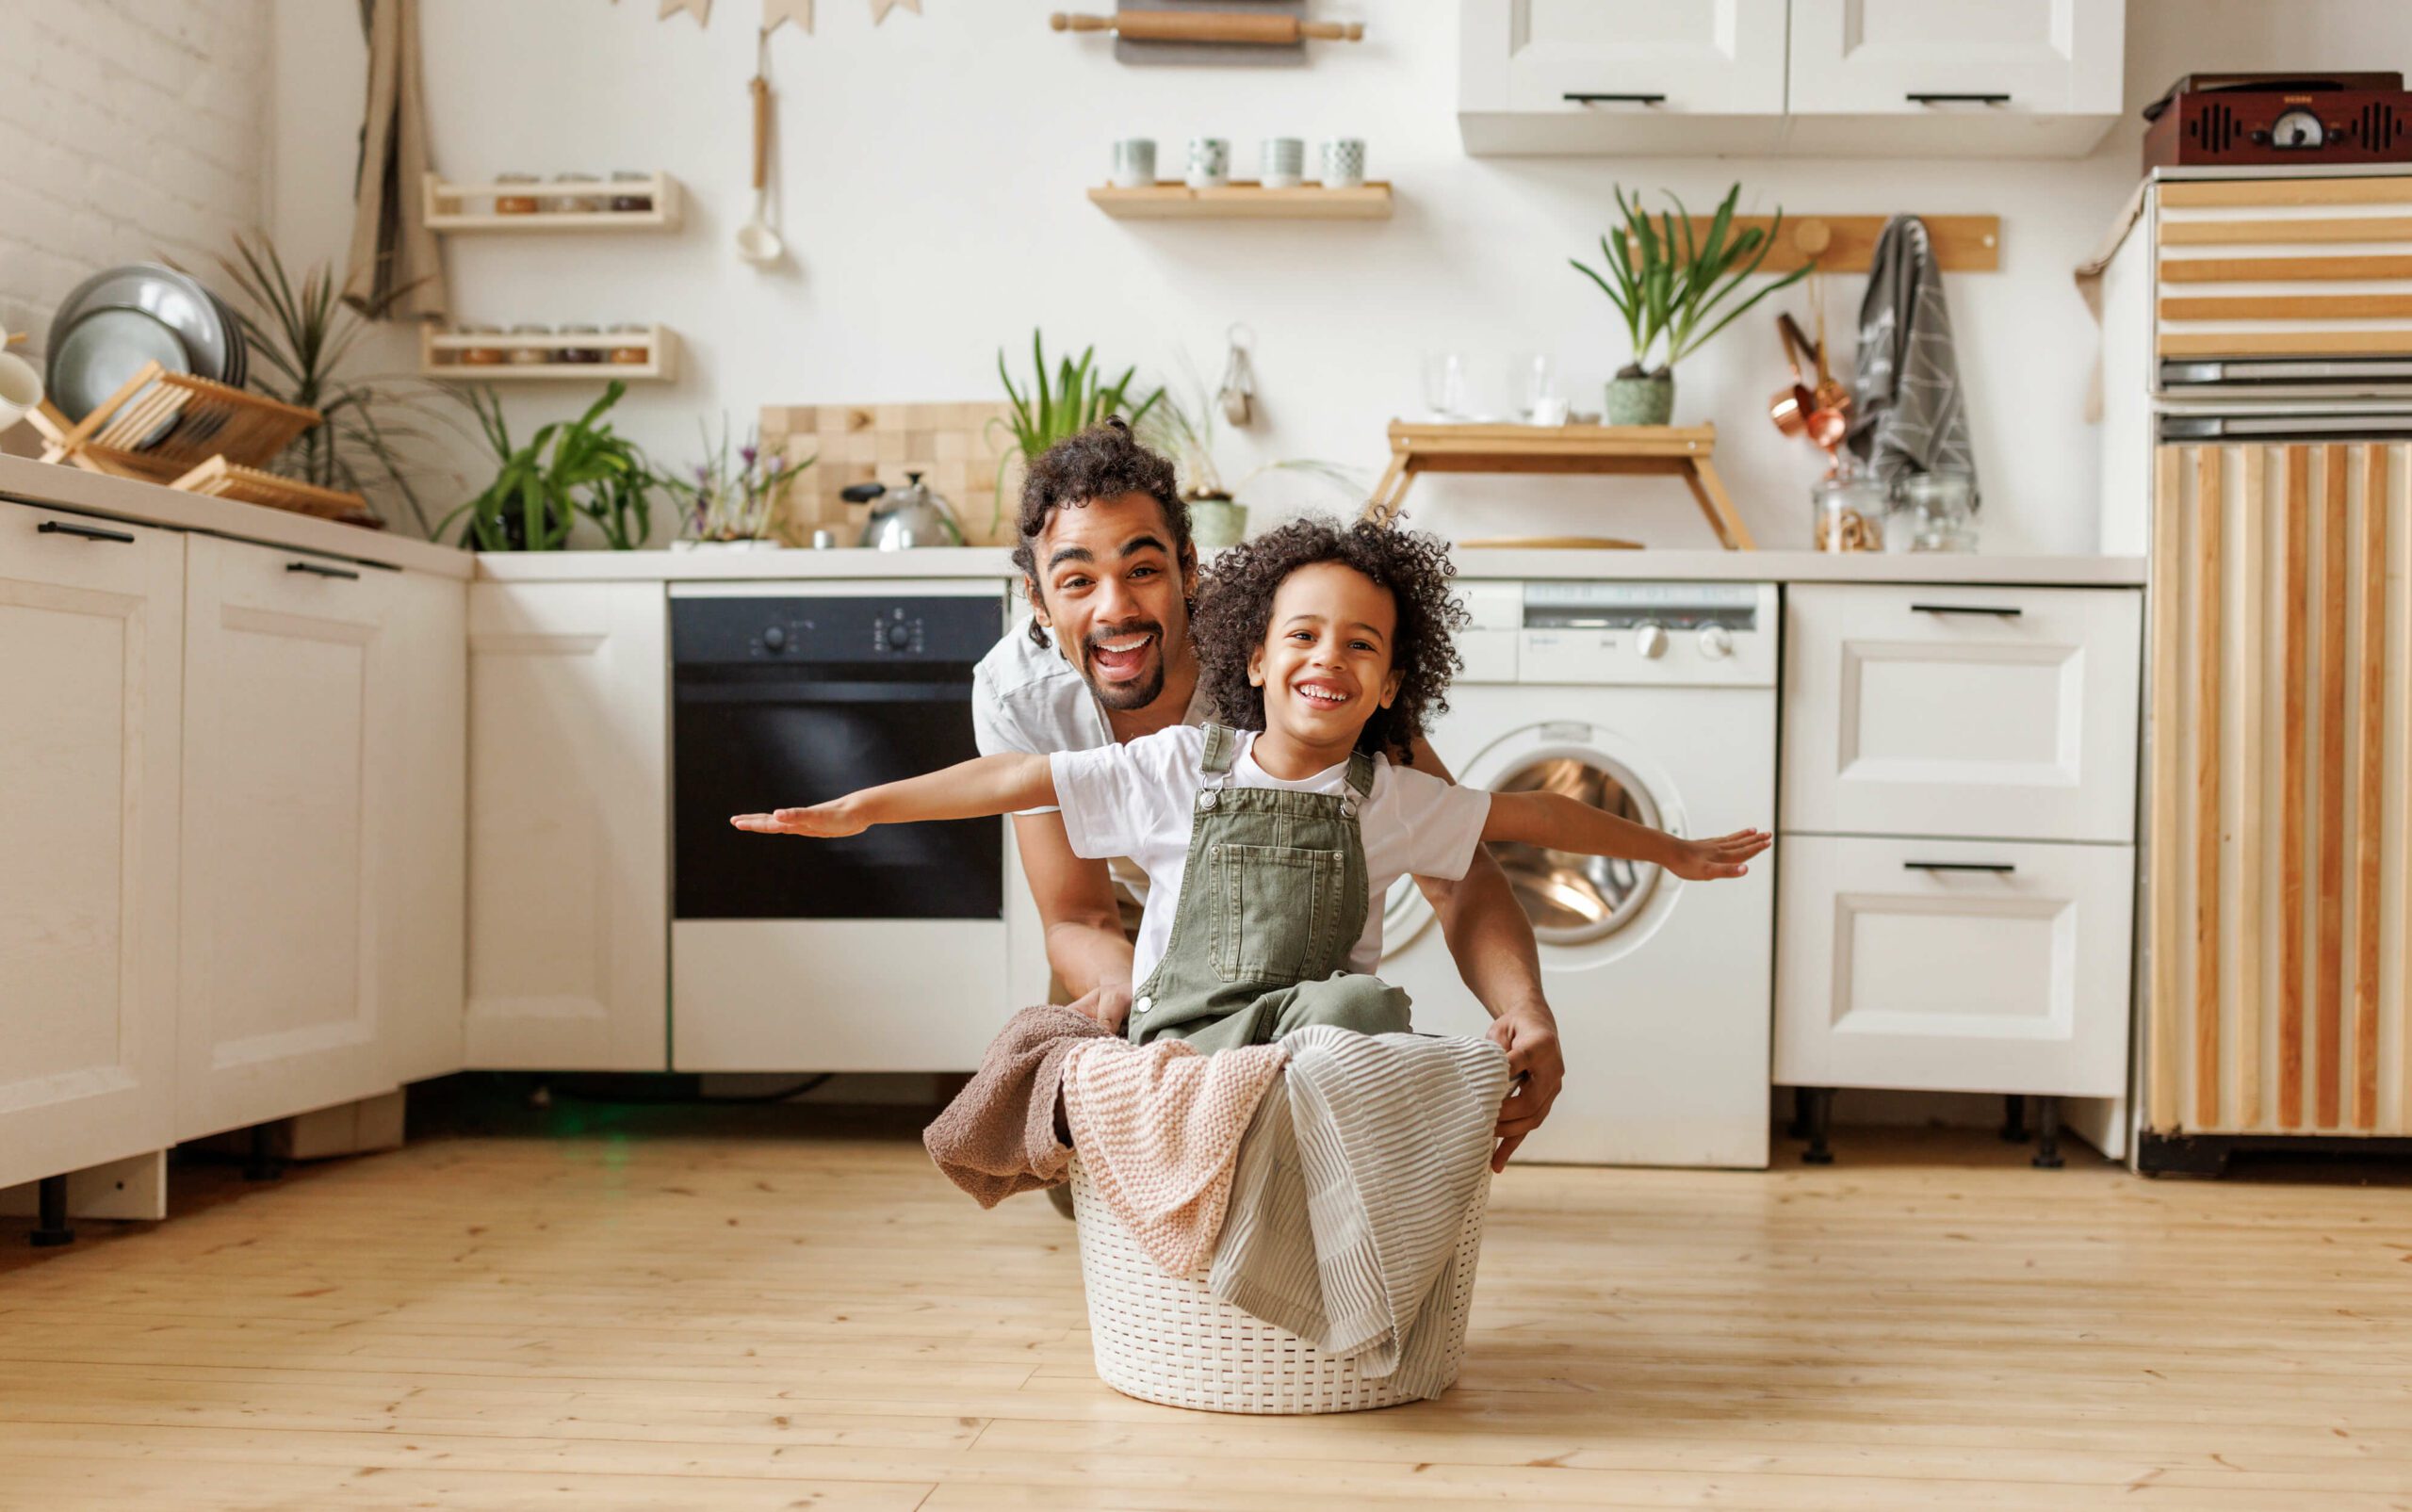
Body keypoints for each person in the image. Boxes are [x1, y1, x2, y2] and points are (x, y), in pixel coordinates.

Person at [733, 514, 1769, 1083]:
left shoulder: (1395, 793)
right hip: (1185, 1021)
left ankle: (1234, 1115)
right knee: (1159, 1046)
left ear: (1393, 685)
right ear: (1257, 660)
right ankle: (1176, 1085)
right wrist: (866, 805)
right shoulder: (1182, 767)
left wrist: (1666, 849)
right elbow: (1015, 779)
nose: (1331, 659)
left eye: (1362, 646)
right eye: (1305, 638)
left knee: (1369, 1010)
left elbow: (1531, 817)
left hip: (1308, 1039)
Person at [951, 420, 1566, 1171]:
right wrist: (1157, 1025)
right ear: (1038, 597)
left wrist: (1524, 1008)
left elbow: (1459, 873)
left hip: (1290, 927)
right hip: (1129, 930)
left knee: (1289, 1140)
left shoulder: (1295, 651)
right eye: (1077, 579)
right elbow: (1078, 915)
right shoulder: (1019, 695)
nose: (1115, 609)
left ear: (1188, 566)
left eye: (1143, 569)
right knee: (1087, 1160)